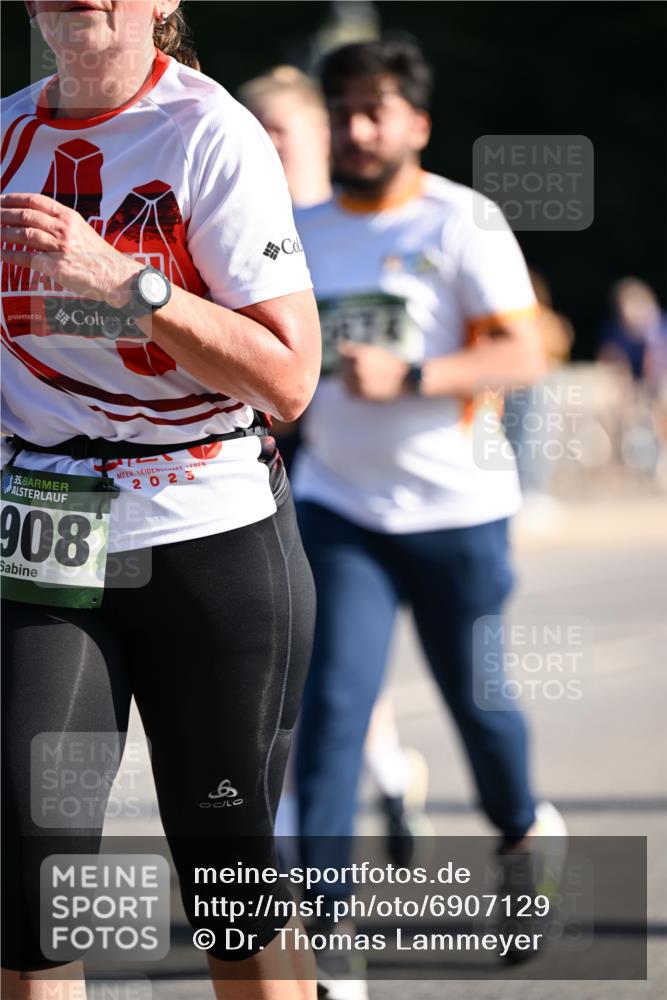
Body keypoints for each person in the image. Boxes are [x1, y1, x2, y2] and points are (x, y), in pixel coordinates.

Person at [1, 3, 321, 999]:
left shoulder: (208, 132)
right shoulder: (6, 135)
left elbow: (288, 377)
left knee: (228, 883)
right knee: (29, 873)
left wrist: (124, 280)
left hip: (208, 533)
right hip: (48, 531)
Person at [290, 39, 567, 998]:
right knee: (326, 716)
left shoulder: (463, 221)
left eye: (377, 110)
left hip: (459, 512)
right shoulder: (301, 228)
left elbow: (523, 358)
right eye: (344, 111)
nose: (358, 129)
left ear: (416, 124)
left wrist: (412, 375)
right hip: (341, 508)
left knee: (480, 712)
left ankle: (524, 831)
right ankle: (326, 941)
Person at [239, 64, 431, 865]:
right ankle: (375, 784)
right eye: (258, 134)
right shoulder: (237, 209)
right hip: (273, 465)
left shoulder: (351, 222)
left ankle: (363, 790)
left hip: (353, 472)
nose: (267, 148)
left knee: (327, 665)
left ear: (318, 135)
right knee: (306, 663)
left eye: (279, 132)